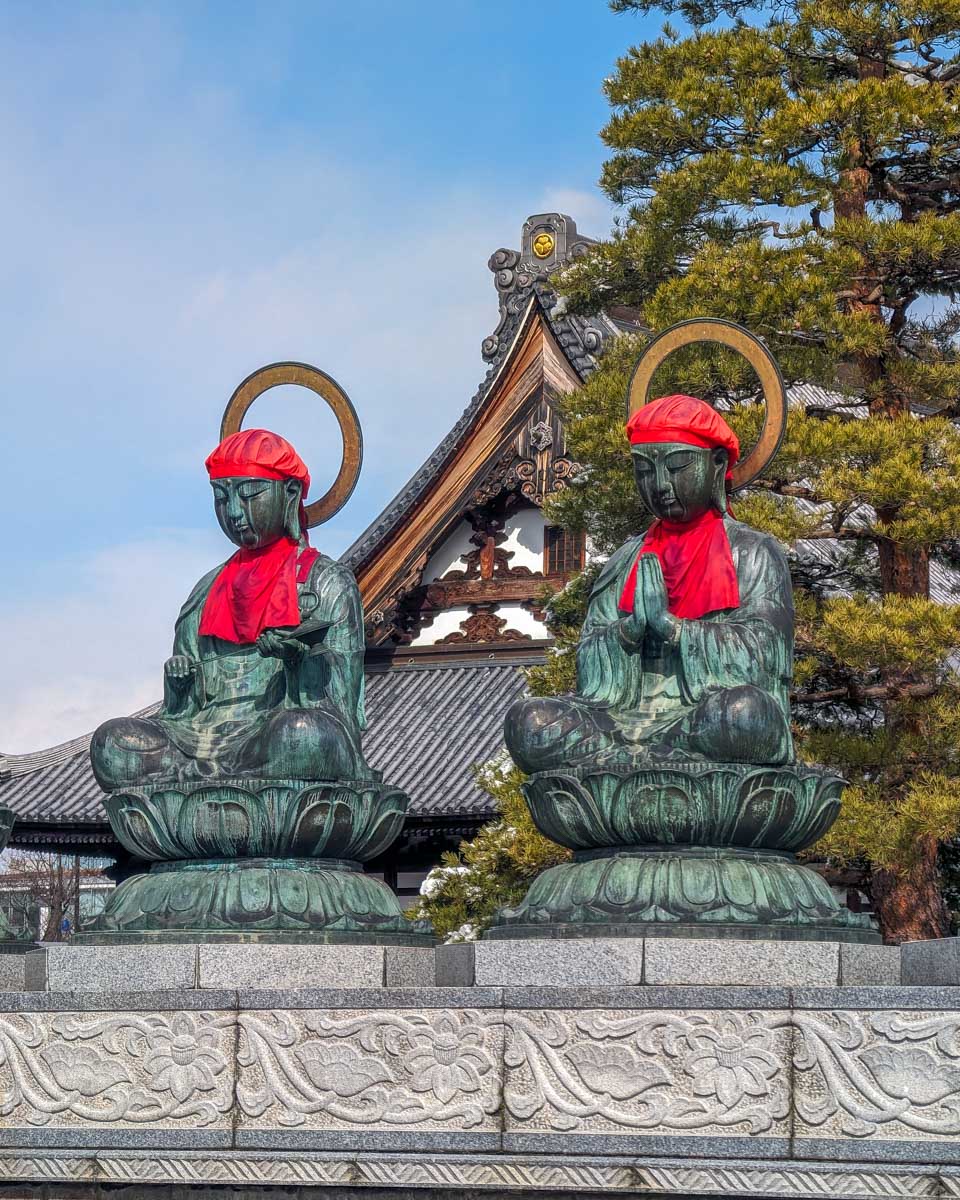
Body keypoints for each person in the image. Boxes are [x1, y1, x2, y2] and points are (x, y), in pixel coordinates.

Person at [505, 394, 794, 771]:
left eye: (676, 466)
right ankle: (644, 755)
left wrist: (673, 629)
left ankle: (655, 755)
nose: (659, 484)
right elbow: (590, 667)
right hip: (623, 719)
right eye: (644, 470)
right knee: (530, 721)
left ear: (716, 463)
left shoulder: (754, 553)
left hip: (705, 716)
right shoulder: (626, 559)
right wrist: (629, 630)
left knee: (744, 713)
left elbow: (766, 658)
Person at [91, 429, 371, 788]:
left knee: (303, 736)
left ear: (289, 494)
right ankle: (220, 781)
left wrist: (297, 662)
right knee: (112, 743)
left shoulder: (326, 584)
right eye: (222, 498)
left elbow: (339, 708)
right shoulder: (207, 590)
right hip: (202, 738)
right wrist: (180, 686)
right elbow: (182, 712)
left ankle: (222, 782)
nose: (235, 512)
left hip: (275, 735)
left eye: (250, 494)